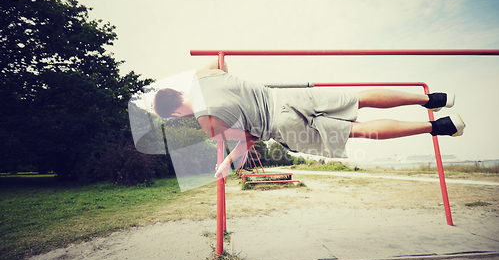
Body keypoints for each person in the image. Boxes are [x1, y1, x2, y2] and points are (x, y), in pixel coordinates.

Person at [153, 61, 465, 181]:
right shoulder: (200, 75)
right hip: (286, 97)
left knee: (358, 131)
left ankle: (439, 127)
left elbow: (248, 140)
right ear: (176, 90)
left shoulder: (207, 123)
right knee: (360, 98)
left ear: (175, 114)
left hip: (281, 126)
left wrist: (226, 166)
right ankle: (432, 99)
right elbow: (220, 65)